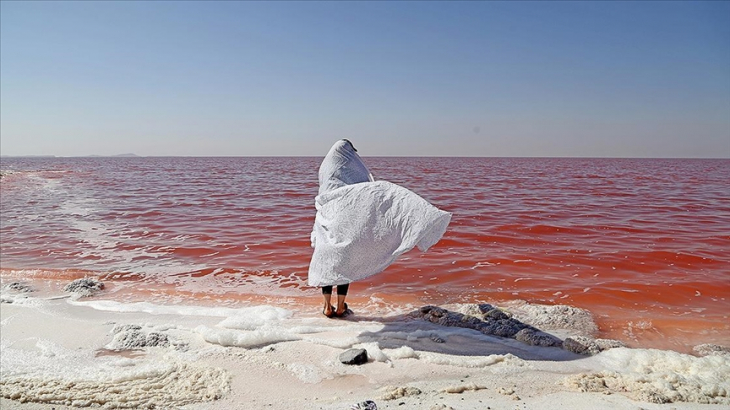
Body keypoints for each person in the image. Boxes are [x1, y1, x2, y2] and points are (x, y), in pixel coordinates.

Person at [308, 139, 451, 318]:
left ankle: (327, 306)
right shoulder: (349, 165)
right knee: (342, 265)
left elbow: (325, 194)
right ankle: (341, 305)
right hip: (343, 222)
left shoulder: (327, 168)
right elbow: (360, 191)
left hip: (326, 220)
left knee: (328, 264)